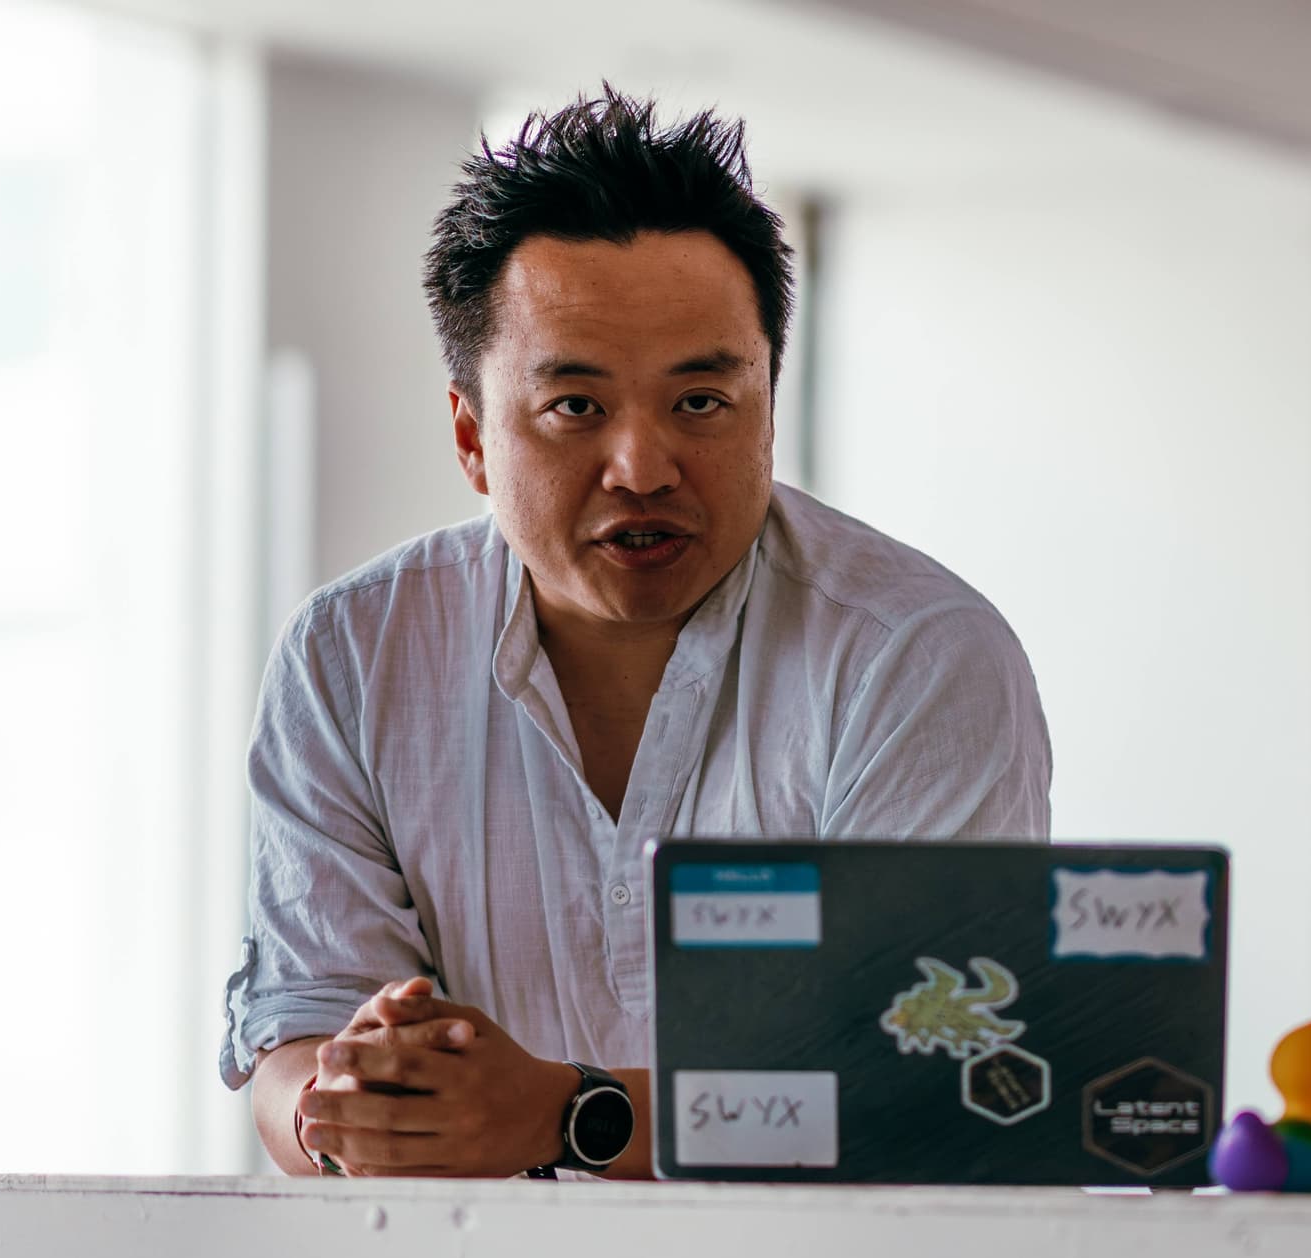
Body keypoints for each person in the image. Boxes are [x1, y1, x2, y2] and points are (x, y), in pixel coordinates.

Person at [218, 87, 1052, 1178]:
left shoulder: (913, 654)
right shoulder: (353, 655)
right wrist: (353, 1102)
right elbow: (297, 1035)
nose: (644, 468)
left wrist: (570, 1113)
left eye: (702, 401)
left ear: (768, 402)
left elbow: (943, 1088)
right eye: (575, 406)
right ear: (473, 436)